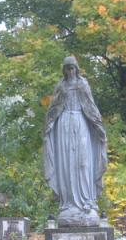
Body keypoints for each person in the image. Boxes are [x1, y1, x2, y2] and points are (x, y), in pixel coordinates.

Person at [44, 56, 107, 226]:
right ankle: (69, 204)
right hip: (64, 125)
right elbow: (53, 109)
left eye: (72, 68)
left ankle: (87, 202)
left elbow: (90, 106)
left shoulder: (83, 84)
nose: (70, 71)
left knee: (83, 163)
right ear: (64, 70)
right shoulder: (61, 86)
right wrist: (49, 125)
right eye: (67, 68)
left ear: (77, 69)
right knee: (67, 164)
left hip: (81, 122)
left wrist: (98, 126)